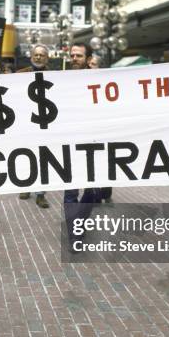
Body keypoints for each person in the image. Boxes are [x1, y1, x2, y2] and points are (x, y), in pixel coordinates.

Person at [63, 43, 105, 252]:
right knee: (70, 192)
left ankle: (78, 221)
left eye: (78, 55)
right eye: (72, 55)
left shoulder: (98, 82)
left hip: (92, 144)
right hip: (69, 143)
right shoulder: (62, 80)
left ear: (88, 59)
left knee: (91, 191)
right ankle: (75, 235)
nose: (74, 58)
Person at [16, 44, 52, 208]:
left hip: (46, 122)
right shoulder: (20, 75)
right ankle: (25, 186)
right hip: (26, 122)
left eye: (41, 55)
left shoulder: (56, 76)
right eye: (35, 55)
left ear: (47, 58)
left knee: (44, 158)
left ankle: (41, 194)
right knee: (26, 155)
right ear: (31, 56)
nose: (38, 57)